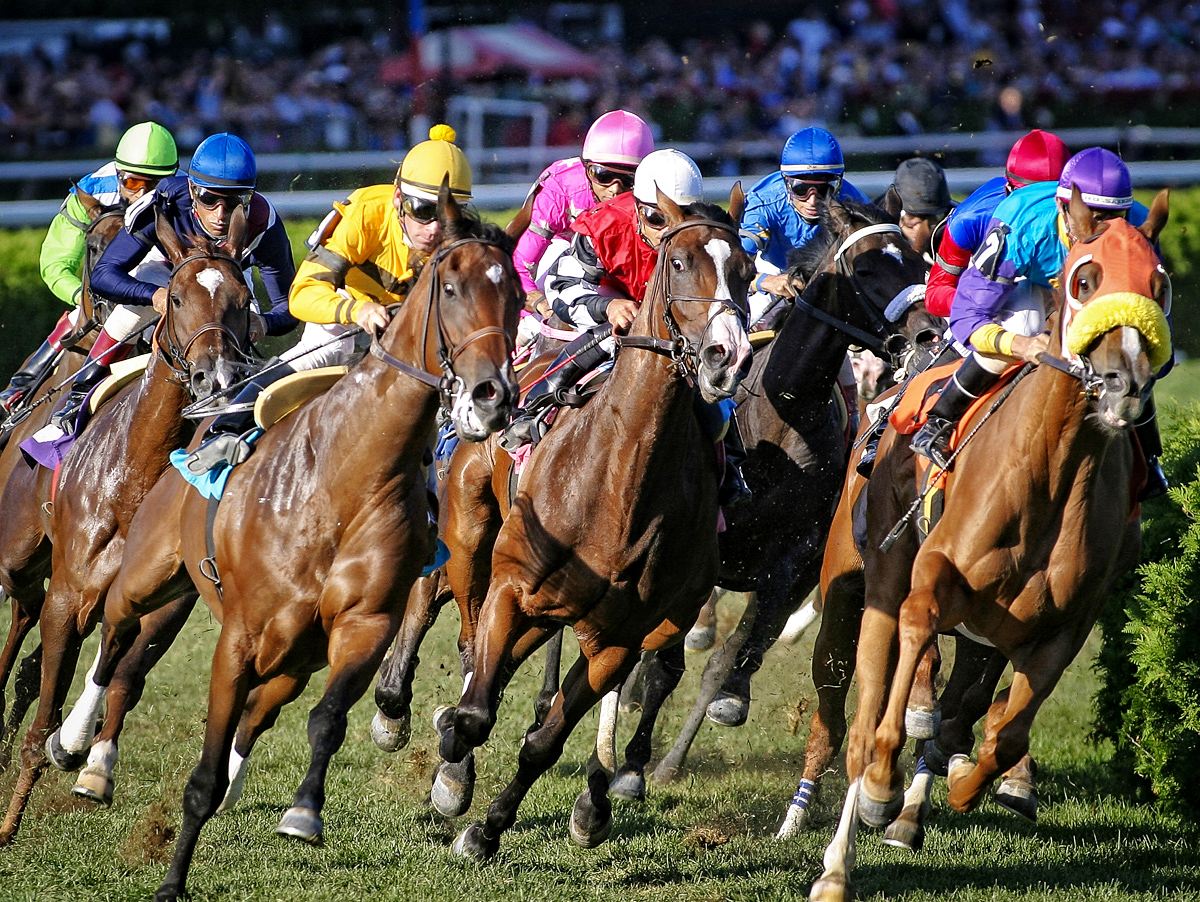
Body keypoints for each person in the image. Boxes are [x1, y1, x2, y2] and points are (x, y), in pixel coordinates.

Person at [184, 124, 473, 472]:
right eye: (423, 211)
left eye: (448, 212)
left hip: (415, 332)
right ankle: (223, 432)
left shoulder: (463, 239)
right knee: (312, 358)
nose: (435, 229)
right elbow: (301, 295)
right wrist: (357, 310)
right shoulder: (365, 213)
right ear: (398, 199)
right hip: (347, 317)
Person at [909, 147, 1168, 497]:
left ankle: (1149, 458)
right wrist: (1022, 345)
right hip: (1025, 279)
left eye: (1113, 217)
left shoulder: (1137, 233)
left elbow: (1158, 348)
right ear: (1064, 208)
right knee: (1022, 320)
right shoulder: (1021, 227)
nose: (1102, 230)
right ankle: (941, 418)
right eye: (1091, 217)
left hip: (1082, 292)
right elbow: (968, 317)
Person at [503, 148, 750, 502]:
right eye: (656, 219)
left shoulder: (703, 237)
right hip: (611, 302)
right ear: (636, 207)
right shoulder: (604, 223)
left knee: (717, 399)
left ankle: (732, 467)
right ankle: (530, 412)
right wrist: (607, 308)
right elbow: (561, 285)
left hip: (667, 324)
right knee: (599, 342)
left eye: (679, 217)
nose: (667, 232)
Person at [52, 132, 298, 435]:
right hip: (169, 273)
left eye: (235, 202)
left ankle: (237, 405)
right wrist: (153, 295)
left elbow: (291, 305)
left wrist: (265, 322)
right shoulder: (163, 202)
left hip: (228, 279)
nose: (220, 215)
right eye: (209, 199)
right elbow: (104, 274)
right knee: (139, 292)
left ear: (250, 198)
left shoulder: (265, 222)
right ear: (192, 190)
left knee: (237, 310)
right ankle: (82, 388)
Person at [0, 121, 179, 413]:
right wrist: (82, 297)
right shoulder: (94, 190)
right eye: (134, 183)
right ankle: (18, 390)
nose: (144, 194)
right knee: (79, 316)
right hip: (101, 289)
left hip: (152, 285)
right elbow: (57, 262)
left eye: (155, 185)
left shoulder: (183, 195)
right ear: (119, 175)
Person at [512, 110, 654, 319]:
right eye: (602, 175)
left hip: (615, 266)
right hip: (564, 258)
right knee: (559, 255)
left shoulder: (653, 190)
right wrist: (538, 302)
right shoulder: (561, 185)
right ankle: (525, 342)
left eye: (629, 180)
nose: (614, 190)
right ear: (586, 168)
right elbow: (519, 263)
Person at [925, 130, 1070, 318]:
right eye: (1030, 204)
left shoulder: (1094, 208)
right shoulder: (969, 220)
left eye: (1052, 202)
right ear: (1007, 189)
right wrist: (985, 300)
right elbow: (936, 293)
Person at [738, 126, 871, 307]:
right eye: (801, 189)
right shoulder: (763, 204)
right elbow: (734, 268)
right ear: (786, 182)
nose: (813, 200)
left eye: (824, 190)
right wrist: (764, 282)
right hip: (774, 271)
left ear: (838, 184)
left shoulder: (855, 204)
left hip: (836, 275)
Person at [886, 157, 955, 259]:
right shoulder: (877, 229)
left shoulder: (960, 227)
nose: (920, 229)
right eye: (911, 218)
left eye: (933, 218)